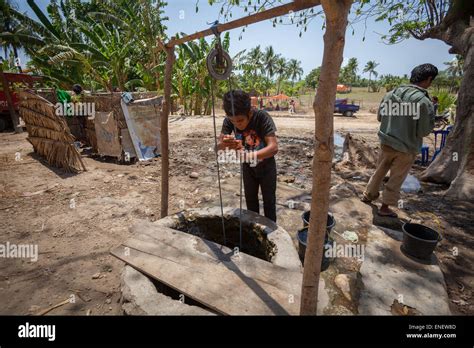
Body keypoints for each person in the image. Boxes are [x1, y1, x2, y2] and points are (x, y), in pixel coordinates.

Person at [361, 63, 437, 217]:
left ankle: (368, 195)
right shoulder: (423, 102)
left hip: (386, 142)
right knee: (396, 179)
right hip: (406, 148)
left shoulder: (390, 94)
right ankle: (384, 208)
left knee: (379, 171)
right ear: (429, 79)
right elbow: (423, 131)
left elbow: (380, 117)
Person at [217, 90, 279, 222]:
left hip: (266, 167)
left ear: (250, 112)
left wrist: (248, 156)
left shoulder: (262, 117)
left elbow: (273, 147)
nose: (237, 124)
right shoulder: (229, 120)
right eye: (232, 121)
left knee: (269, 203)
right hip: (248, 168)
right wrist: (225, 144)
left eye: (240, 120)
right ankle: (253, 230)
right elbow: (218, 147)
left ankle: (272, 233)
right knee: (250, 203)